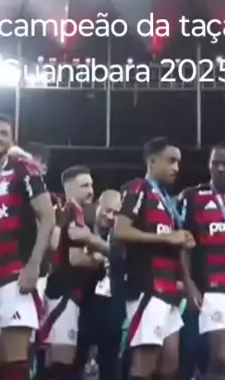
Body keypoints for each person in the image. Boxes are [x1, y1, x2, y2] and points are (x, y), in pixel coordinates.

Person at [0, 113, 56, 380]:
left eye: (3, 133)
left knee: (14, 359)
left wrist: (33, 265)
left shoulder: (23, 171)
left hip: (17, 275)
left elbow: (48, 217)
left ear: (12, 141)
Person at [114, 137, 195, 380]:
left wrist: (187, 279)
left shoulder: (167, 200)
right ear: (151, 161)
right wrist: (167, 238)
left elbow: (171, 242)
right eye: (170, 161)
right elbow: (121, 231)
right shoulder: (138, 188)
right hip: (147, 287)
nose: (176, 168)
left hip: (169, 291)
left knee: (170, 366)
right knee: (144, 366)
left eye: (178, 162)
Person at [180, 143, 225, 380]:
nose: (220, 168)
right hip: (212, 290)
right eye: (215, 163)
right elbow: (184, 244)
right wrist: (188, 283)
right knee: (220, 357)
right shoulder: (193, 197)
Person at [41, 165, 103, 379]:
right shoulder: (67, 212)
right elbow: (74, 258)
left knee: (55, 364)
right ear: (69, 188)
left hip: (67, 295)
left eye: (91, 185)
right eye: (84, 185)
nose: (91, 190)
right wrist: (98, 260)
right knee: (62, 365)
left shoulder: (77, 214)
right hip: (61, 294)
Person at [73, 190, 123, 380]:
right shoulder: (82, 227)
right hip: (84, 304)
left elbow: (123, 260)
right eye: (107, 210)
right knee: (75, 361)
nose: (110, 217)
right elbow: (74, 260)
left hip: (112, 307)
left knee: (110, 365)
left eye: (115, 213)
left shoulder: (121, 235)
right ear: (97, 207)